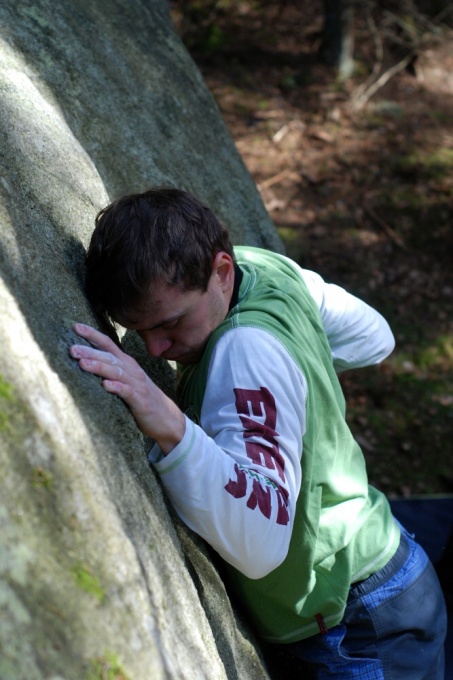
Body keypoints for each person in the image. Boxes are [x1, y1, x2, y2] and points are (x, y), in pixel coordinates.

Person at [70, 187, 447, 678]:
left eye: (170, 324)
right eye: (137, 331)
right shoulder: (264, 269)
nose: (156, 349)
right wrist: (297, 370)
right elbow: (374, 336)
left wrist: (173, 428)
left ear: (221, 273)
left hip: (357, 620)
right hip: (389, 574)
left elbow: (261, 540)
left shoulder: (244, 353)